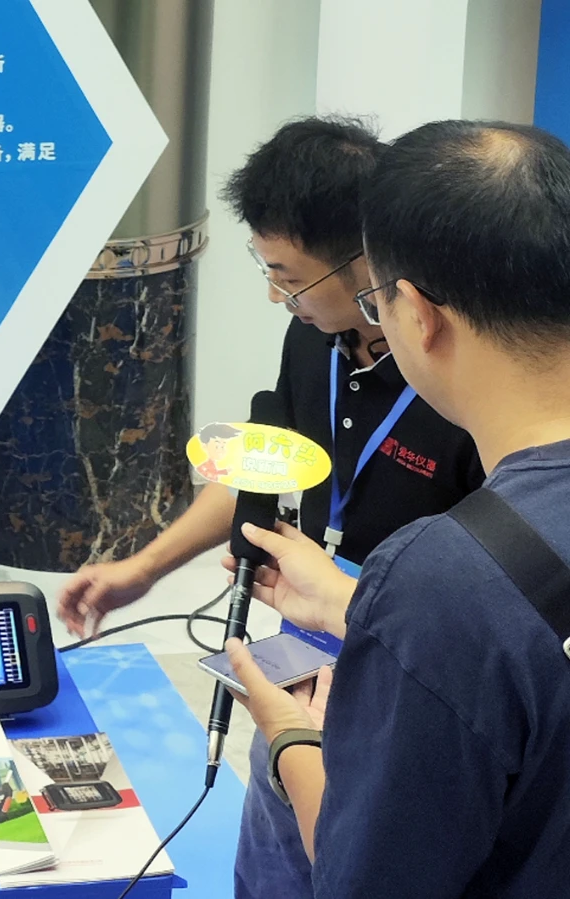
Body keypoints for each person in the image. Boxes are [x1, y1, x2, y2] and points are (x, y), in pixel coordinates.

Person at [56, 116, 487, 899]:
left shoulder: (456, 379)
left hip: (409, 667)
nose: (274, 294)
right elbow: (262, 463)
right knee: (273, 852)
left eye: (288, 275)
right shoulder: (311, 338)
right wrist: (143, 569)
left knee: (361, 859)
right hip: (299, 646)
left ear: (364, 261)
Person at [227, 120, 570, 897]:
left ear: (414, 312)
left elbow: (365, 876)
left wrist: (288, 737)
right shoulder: (447, 591)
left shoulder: (440, 578)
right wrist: (362, 610)